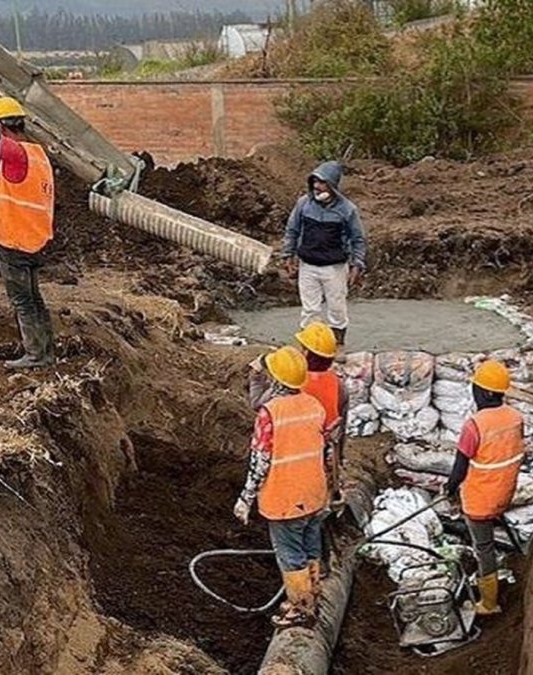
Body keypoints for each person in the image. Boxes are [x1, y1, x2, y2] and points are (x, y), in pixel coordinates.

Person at [0, 60, 57, 369]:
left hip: (14, 241)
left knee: (22, 302)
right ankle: (45, 352)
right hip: (36, 240)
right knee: (34, 299)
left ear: (1, 127)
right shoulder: (38, 153)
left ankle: (35, 355)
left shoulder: (15, 153)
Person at [234, 346, 330, 628]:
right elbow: (324, 451)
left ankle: (301, 609)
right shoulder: (314, 405)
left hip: (285, 499)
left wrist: (245, 498)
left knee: (291, 556)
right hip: (314, 494)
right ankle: (313, 594)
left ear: (276, 378)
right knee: (311, 546)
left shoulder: (271, 413)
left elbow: (260, 461)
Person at [445, 360, 525, 616]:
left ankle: (489, 603)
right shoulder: (515, 418)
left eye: (476, 387)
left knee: (484, 547)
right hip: (505, 492)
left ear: (484, 392)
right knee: (488, 533)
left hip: (480, 500)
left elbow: (459, 467)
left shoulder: (475, 425)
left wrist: (450, 488)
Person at [282, 161, 367, 347]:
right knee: (310, 311)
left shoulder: (347, 209)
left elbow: (357, 239)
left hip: (334, 268)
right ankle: (309, 347)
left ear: (332, 185)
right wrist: (287, 256)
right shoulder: (303, 204)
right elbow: (292, 230)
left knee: (336, 310)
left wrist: (357, 265)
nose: (316, 186)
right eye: (314, 182)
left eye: (322, 182)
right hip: (307, 266)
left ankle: (338, 347)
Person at [295, 322, 348, 578]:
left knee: (299, 516)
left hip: (299, 458)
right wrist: (340, 461)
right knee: (320, 512)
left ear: (306, 353)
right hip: (326, 458)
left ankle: (302, 569)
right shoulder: (338, 385)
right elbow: (342, 430)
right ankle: (322, 564)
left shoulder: (296, 385)